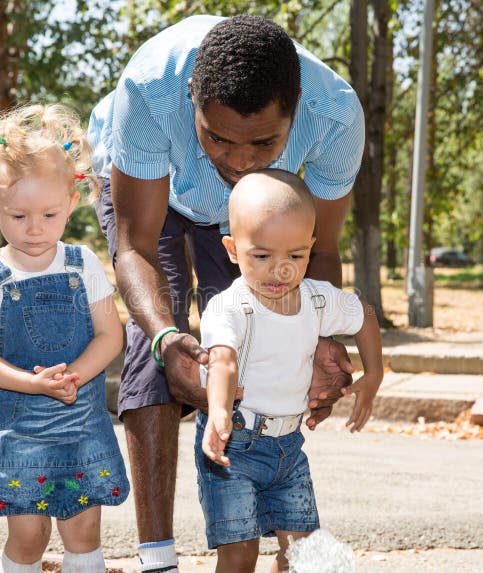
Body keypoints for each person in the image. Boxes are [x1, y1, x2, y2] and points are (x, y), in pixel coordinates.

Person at [87, 14, 364, 571]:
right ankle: (157, 557)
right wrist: (167, 338)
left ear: (297, 108)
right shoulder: (148, 89)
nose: (238, 161)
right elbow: (135, 248)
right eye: (217, 136)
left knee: (251, 344)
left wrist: (316, 338)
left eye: (265, 142)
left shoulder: (336, 114)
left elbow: (322, 250)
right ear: (192, 96)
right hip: (150, 192)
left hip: (253, 220)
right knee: (158, 354)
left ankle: (267, 539)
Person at [0, 104, 129, 573]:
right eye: (18, 215)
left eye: (50, 214)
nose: (35, 228)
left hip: (80, 426)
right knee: (30, 536)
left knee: (84, 529)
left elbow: (112, 334)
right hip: (17, 431)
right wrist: (34, 384)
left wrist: (73, 376)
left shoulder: (82, 263)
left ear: (73, 202)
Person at [196, 169, 383, 572]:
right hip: (234, 444)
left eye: (295, 256)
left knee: (302, 552)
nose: (280, 270)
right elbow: (223, 361)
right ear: (232, 248)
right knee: (240, 554)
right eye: (261, 256)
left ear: (310, 248)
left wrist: (375, 374)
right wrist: (219, 412)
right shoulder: (229, 308)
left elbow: (364, 315)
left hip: (288, 448)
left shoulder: (316, 300)